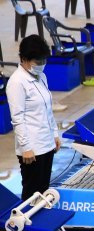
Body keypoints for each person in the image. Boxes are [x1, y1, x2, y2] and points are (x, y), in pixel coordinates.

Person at [6, 35, 60, 201]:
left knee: (43, 190)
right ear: (24, 59)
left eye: (44, 60)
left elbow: (47, 108)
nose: (41, 65)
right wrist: (26, 148)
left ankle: (41, 223)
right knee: (32, 193)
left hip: (46, 144)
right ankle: (27, 226)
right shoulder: (17, 83)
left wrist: (55, 134)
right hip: (32, 149)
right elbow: (18, 118)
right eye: (37, 61)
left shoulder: (41, 77)